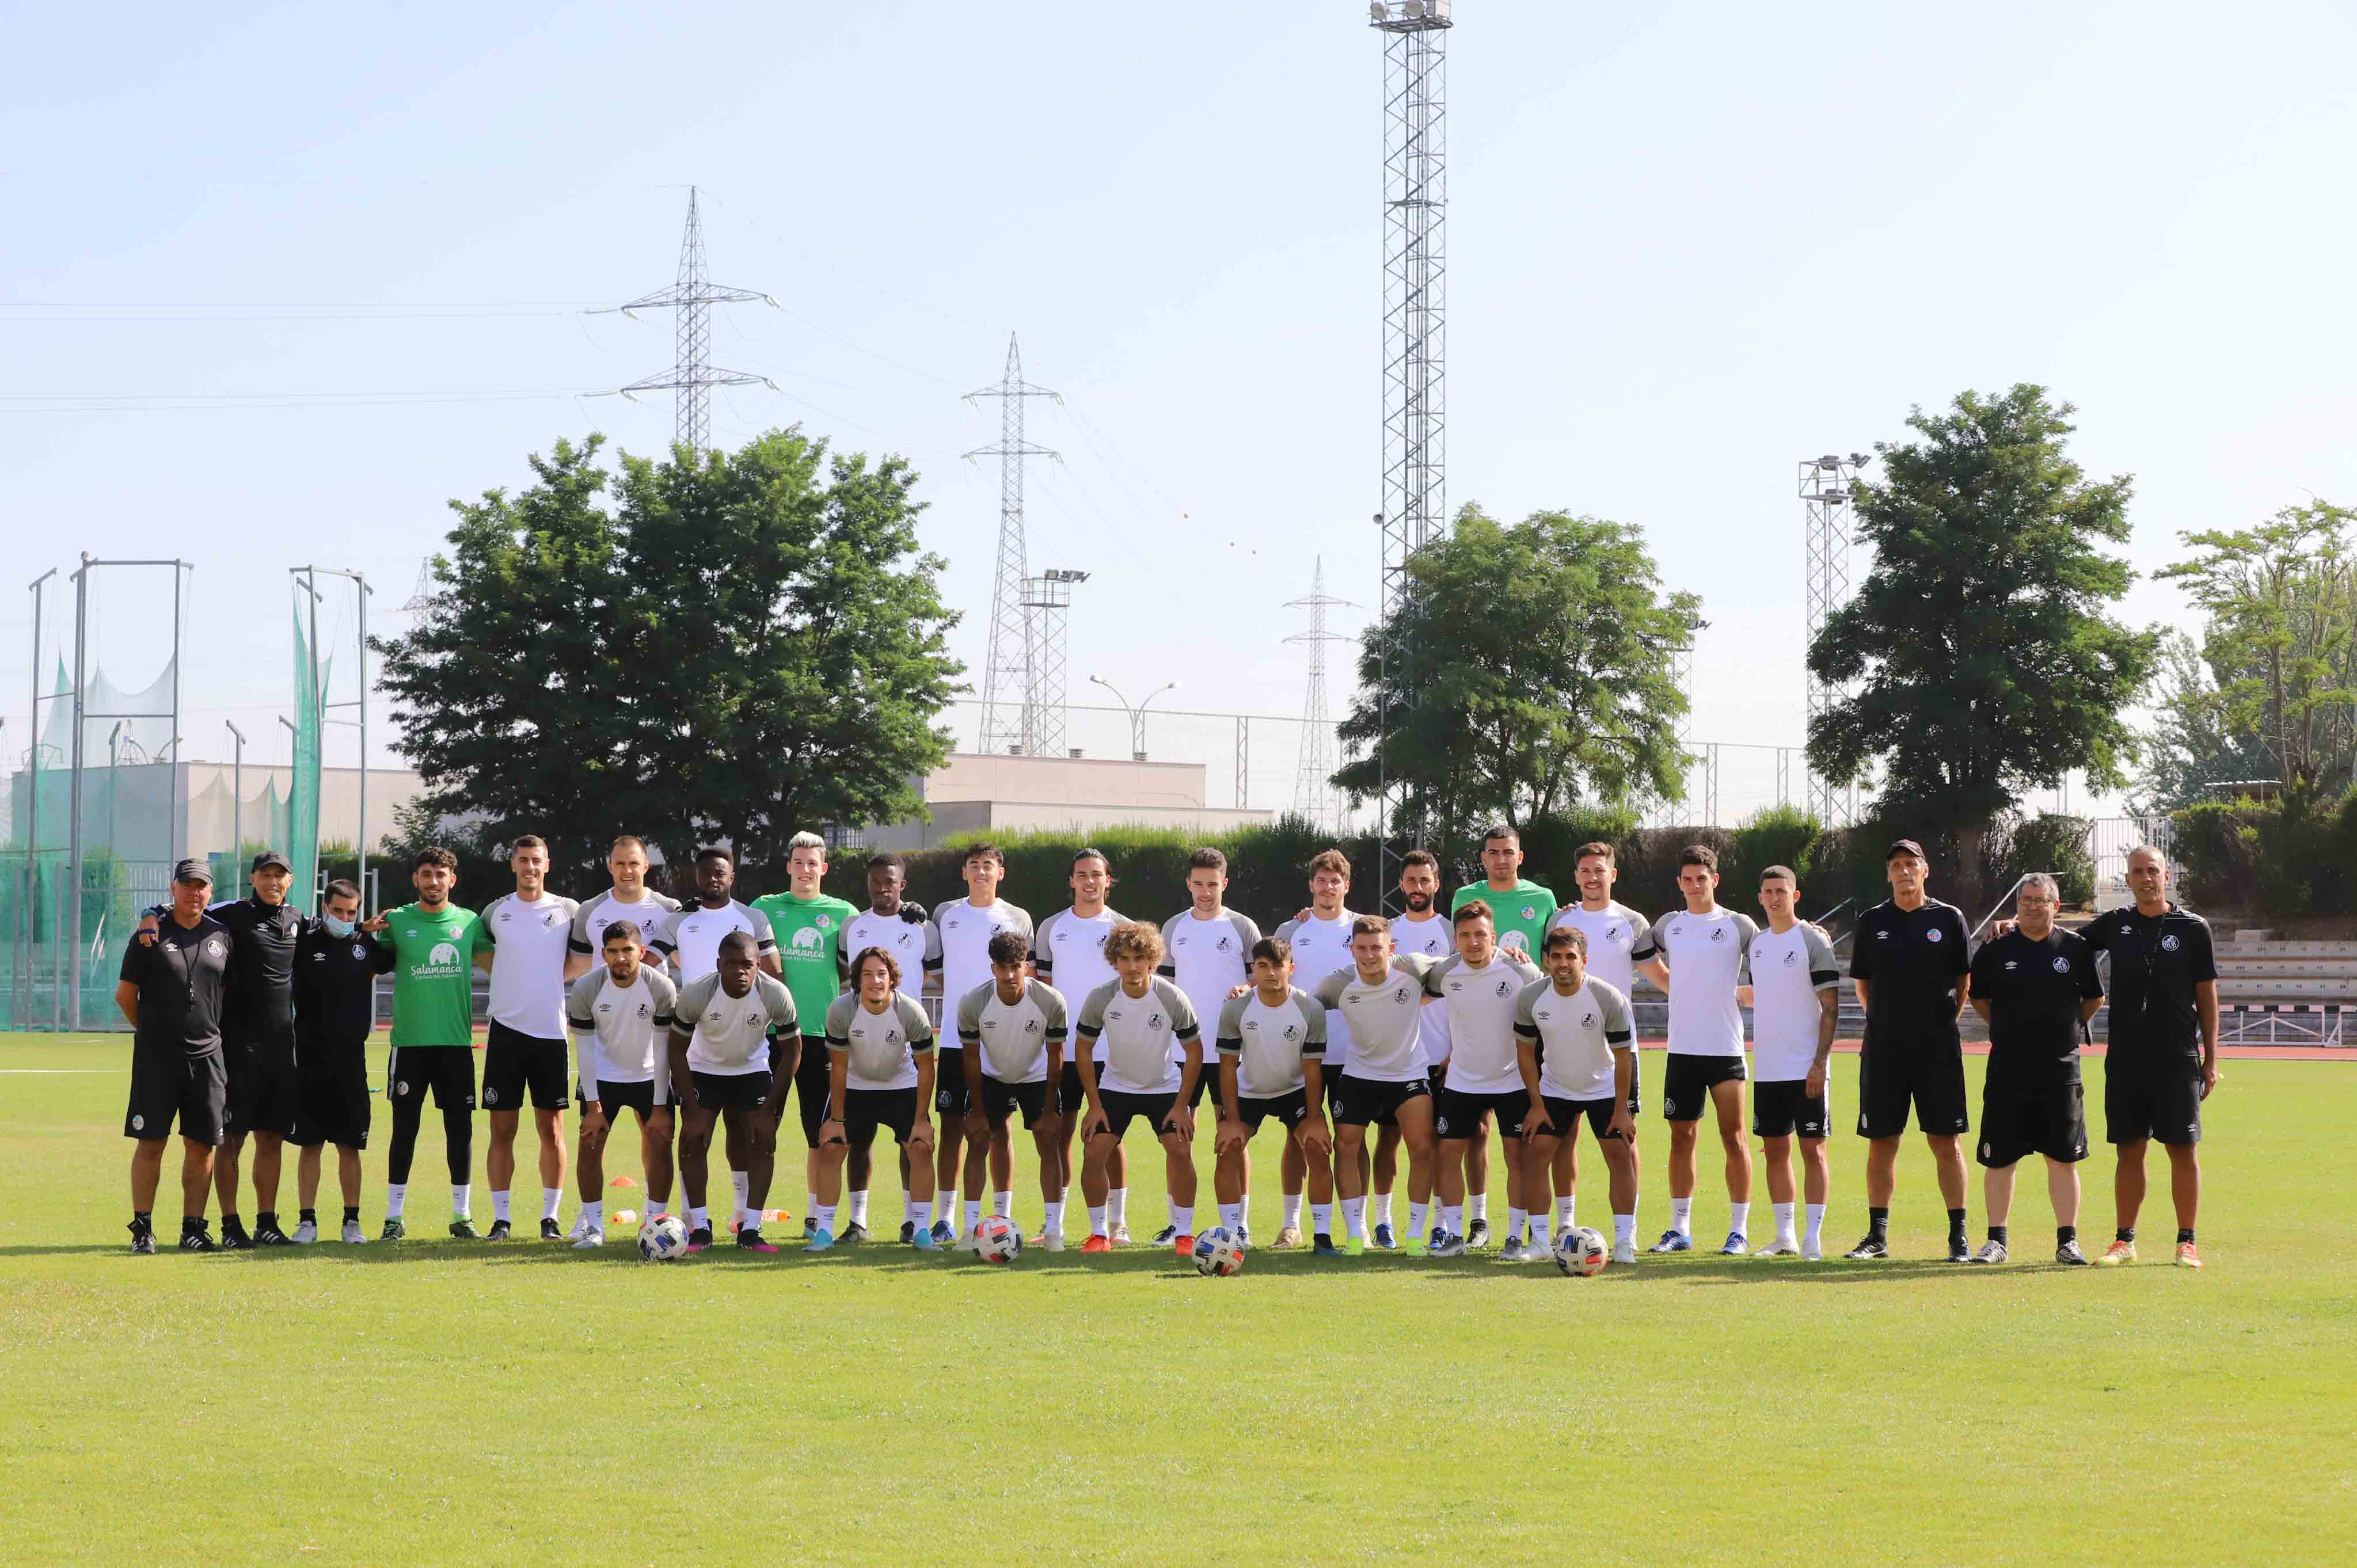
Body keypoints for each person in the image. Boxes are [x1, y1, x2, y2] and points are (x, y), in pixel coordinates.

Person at [139, 849, 303, 1248]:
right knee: (232, 1139)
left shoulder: (300, 920)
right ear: (253, 879)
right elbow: (185, 904)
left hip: (281, 1050)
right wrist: (149, 912)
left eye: (279, 875)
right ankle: (231, 1225)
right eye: (265, 874)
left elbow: (337, 936)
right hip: (236, 1048)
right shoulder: (233, 913)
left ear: (290, 881)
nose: (272, 881)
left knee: (272, 1140)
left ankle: (267, 1221)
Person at [2080, 847, 2219, 1269]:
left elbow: (2207, 996)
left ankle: (2187, 1242)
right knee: (2129, 1149)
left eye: (2153, 871)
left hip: (2176, 1057)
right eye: (2137, 872)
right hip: (2125, 1058)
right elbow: (2062, 940)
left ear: (2168, 875)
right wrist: (2018, 923)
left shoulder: (2193, 928)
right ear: (2128, 878)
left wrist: (2211, 1059)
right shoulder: (2117, 923)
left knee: (2183, 1149)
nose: (2146, 878)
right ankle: (2125, 1241)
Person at [1845, 839, 1973, 1263]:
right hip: (1884, 1051)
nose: (1903, 871)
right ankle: (1877, 1236)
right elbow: (1862, 985)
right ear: (1888, 874)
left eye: (1910, 864)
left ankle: (1958, 1237)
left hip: (1937, 1050)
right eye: (1896, 865)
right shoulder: (1872, 921)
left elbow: (1963, 983)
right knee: (1882, 1143)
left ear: (1925, 870)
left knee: (1946, 1143)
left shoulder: (1949, 919)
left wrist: (1938, 1025)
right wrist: (1885, 1022)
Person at [1967, 873, 2103, 1266]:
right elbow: (1980, 1000)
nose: (2030, 906)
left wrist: (2063, 1027)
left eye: (2039, 900)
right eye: (2025, 899)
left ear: (2055, 906)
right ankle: (1996, 1241)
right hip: (2008, 1068)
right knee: (2000, 1158)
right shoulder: (1996, 948)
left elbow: (2092, 1000)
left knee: (2062, 1158)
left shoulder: (2075, 949)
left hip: (2060, 1070)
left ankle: (2068, 1241)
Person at [363, 846, 489, 1240]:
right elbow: (369, 960)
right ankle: (393, 1217)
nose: (434, 881)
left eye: (441, 874)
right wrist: (363, 934)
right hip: (410, 1045)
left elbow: (503, 964)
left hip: (455, 1045)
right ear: (415, 879)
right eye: (426, 874)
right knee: (404, 1131)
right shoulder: (397, 921)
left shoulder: (470, 923)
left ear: (452, 879)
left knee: (460, 1131)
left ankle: (462, 1215)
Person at [1546, 841, 1669, 1245]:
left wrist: (1718, 992)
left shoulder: (1632, 922)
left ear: (1612, 875)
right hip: (1563, 1047)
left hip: (1617, 1051)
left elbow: (1661, 976)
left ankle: (1627, 1230)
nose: (1593, 877)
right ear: (1577, 876)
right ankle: (1566, 1222)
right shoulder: (1560, 920)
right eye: (1585, 870)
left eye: (1600, 870)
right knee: (1564, 1138)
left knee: (1623, 1139)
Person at [657, 846, 777, 1238]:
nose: (713, 878)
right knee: (697, 1134)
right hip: (696, 1046)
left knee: (745, 1135)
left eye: (720, 873)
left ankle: (744, 1217)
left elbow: (774, 971)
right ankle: (697, 1223)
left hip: (747, 1049)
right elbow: (648, 959)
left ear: (732, 876)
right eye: (706, 872)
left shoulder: (753, 918)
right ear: (697, 876)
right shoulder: (680, 918)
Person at [116, 859, 234, 1253]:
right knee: (151, 1143)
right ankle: (143, 1229)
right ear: (173, 888)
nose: (194, 892)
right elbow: (125, 997)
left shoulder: (221, 935)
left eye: (202, 886)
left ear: (210, 891)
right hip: (157, 1059)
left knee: (201, 1146)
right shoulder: (148, 936)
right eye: (188, 885)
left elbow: (226, 995)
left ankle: (193, 1229)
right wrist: (150, 1034)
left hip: (208, 1058)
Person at [568, 835, 684, 1230]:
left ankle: (657, 1219)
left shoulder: (669, 914)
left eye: (634, 863)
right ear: (610, 866)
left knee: (659, 1138)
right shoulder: (590, 915)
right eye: (620, 863)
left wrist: (660, 1102)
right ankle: (591, 1223)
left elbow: (664, 1044)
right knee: (590, 1140)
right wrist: (594, 1101)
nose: (627, 870)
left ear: (645, 865)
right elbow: (583, 1046)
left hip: (650, 1066)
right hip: (604, 1066)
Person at [1648, 845, 1759, 1256]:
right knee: (1682, 1138)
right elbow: (1640, 952)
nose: (1695, 885)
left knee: (1734, 1138)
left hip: (1725, 1049)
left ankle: (1739, 1230)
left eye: (1703, 878)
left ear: (1715, 880)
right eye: (1687, 879)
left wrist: (1750, 991)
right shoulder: (1669, 925)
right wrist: (1672, 985)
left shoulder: (1738, 924)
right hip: (1682, 1050)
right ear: (1679, 884)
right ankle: (1680, 1229)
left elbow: (1772, 954)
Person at [1312, 916, 1446, 1257]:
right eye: (1362, 948)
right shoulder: (1337, 984)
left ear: (1392, 948)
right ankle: (1356, 1234)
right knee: (1345, 1148)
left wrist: (1507, 955)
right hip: (1359, 1075)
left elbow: (1466, 965)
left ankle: (1415, 1234)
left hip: (1409, 1075)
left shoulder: (1415, 968)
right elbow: (1298, 1004)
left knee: (1421, 1149)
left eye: (1377, 948)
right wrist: (1249, 991)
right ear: (1352, 949)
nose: (1370, 955)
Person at [1275, 849, 1387, 1249]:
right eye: (1321, 881)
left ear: (1346, 885)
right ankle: (1291, 1224)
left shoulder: (1364, 929)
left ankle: (1358, 1228)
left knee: (1351, 1141)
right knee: (1297, 1136)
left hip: (1353, 1051)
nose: (1327, 887)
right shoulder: (1291, 930)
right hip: (1303, 1051)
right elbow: (1272, 980)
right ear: (1311, 886)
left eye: (1335, 881)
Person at [923, 843, 1033, 1244]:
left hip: (1003, 1042)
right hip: (954, 1039)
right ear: (964, 873)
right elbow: (934, 974)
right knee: (952, 1128)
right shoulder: (944, 915)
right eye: (975, 866)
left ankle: (1002, 1217)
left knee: (1000, 1127)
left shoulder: (1017, 917)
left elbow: (1026, 974)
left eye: (989, 866)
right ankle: (946, 1218)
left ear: (1000, 873)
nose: (982, 872)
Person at [751, 831, 858, 1242]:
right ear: (789, 867)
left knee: (820, 1131)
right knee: (762, 1128)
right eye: (799, 862)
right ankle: (750, 1217)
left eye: (813, 863)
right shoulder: (765, 908)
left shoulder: (845, 912)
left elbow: (856, 964)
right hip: (771, 1034)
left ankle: (815, 1217)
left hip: (821, 1035)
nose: (806, 870)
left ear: (824, 868)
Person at [1073, 921, 1204, 1256]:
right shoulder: (1101, 997)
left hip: (1164, 1088)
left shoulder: (1172, 997)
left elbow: (1195, 1051)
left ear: (1153, 960)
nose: (1132, 967)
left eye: (1139, 958)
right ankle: (1100, 1234)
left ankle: (1185, 1235)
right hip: (1116, 1087)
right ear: (1114, 961)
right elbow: (1083, 1049)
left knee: (1179, 1150)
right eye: (1125, 959)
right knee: (1094, 1152)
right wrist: (1095, 1105)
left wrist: (1182, 1105)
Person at [1512, 925, 1643, 1265]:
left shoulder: (1607, 997)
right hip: (1556, 1088)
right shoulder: (1530, 998)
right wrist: (1537, 1105)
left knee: (1620, 1156)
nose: (1563, 964)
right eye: (1556, 957)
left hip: (1604, 1087)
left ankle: (1625, 1241)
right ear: (1546, 961)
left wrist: (1621, 1109)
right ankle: (1541, 1241)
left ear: (1584, 960)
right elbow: (1525, 1054)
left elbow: (1625, 1057)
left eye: (1571, 957)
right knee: (1537, 1155)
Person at [1424, 901, 1544, 1259]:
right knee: (1447, 1157)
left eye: (1480, 935)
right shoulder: (1444, 974)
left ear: (1493, 936)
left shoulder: (1522, 971)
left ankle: (1514, 1237)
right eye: (1465, 936)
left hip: (1511, 1082)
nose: (1473, 943)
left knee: (1517, 1159)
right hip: (1461, 1081)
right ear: (1455, 941)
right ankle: (1456, 1236)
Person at [476, 835, 580, 1241]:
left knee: (551, 1130)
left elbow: (579, 960)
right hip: (504, 1032)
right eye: (523, 860)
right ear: (513, 864)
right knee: (502, 1131)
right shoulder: (495, 912)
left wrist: (551, 979)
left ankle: (549, 1218)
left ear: (547, 864)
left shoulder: (567, 910)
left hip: (551, 1034)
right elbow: (483, 950)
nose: (530, 867)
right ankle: (501, 1220)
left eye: (536, 860)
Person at [671, 930, 800, 1253]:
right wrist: (689, 1108)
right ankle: (700, 1228)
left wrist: (771, 1109)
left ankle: (751, 1229)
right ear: (719, 964)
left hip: (751, 1071)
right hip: (704, 1070)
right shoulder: (698, 993)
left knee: (762, 1142)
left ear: (759, 965)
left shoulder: (775, 994)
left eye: (747, 964)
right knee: (692, 1140)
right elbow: (676, 1050)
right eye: (731, 964)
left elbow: (793, 1052)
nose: (739, 971)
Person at [1158, 847, 1264, 1240]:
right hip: (1184, 1050)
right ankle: (1177, 1225)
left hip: (1229, 1052)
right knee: (1178, 1138)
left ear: (1225, 884)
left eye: (1213, 884)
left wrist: (1246, 986)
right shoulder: (1173, 928)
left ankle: (1240, 1225)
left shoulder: (1242, 927)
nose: (1205, 892)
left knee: (1232, 1137)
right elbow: (1164, 987)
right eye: (1198, 884)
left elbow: (1262, 977)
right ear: (1189, 884)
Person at [1033, 848, 1139, 1242]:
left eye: (1097, 874)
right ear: (1072, 881)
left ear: (1108, 880)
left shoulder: (1125, 929)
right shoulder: (1051, 928)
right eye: (1082, 874)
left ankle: (1117, 1225)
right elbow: (1042, 987)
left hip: (1110, 1052)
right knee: (1058, 1136)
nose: (1089, 881)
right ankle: (1053, 1225)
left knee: (1109, 1139)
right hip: (1064, 1050)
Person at [1211, 937, 1337, 1253]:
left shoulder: (1310, 1008)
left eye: (1277, 966)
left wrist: (1314, 1117)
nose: (1270, 973)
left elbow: (1312, 1069)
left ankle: (1315, 1235)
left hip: (1294, 1091)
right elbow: (1227, 1067)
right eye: (1262, 966)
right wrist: (1231, 1120)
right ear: (1253, 970)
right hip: (1249, 1092)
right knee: (1227, 1148)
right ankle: (1232, 1235)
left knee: (1317, 1148)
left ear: (1290, 969)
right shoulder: (1236, 1009)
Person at [1740, 865, 1841, 1259]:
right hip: (1768, 1067)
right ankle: (1785, 1236)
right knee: (1774, 1150)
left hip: (1806, 1067)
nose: (1775, 897)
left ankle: (1813, 1237)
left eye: (1782, 890)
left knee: (1813, 1150)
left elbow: (1831, 1007)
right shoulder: (1758, 945)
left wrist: (1819, 1064)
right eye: (1768, 891)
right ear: (1761, 898)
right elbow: (1760, 994)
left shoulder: (1813, 941)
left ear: (1794, 896)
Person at [812, 948, 938, 1251]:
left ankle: (921, 1231)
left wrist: (921, 1119)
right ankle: (824, 1233)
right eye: (867, 974)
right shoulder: (841, 1010)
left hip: (901, 1087)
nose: (875, 981)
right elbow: (839, 1066)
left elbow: (925, 1067)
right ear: (857, 980)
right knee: (831, 1148)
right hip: (856, 1087)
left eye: (882, 974)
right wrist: (837, 1121)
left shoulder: (910, 1011)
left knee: (920, 1148)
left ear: (892, 979)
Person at [957, 930, 1071, 1249]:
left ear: (1027, 966)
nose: (1010, 974)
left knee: (1048, 1140)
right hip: (991, 1077)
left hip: (1036, 1077)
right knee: (980, 1139)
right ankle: (971, 1230)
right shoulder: (973, 1002)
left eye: (1017, 966)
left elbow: (1055, 1056)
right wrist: (978, 1111)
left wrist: (1050, 1111)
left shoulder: (1050, 1001)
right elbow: (970, 1057)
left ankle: (1053, 1230)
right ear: (992, 968)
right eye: (1002, 967)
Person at [838, 851, 930, 1242]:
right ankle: (858, 1222)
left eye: (890, 881)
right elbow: (846, 979)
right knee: (857, 1144)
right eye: (876, 881)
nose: (882, 888)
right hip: (860, 1047)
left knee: (911, 1142)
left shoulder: (925, 926)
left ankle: (912, 1221)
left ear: (902, 885)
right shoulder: (852, 926)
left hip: (907, 1048)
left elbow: (939, 973)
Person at [292, 878, 391, 1244]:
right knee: (310, 1145)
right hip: (308, 1060)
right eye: (338, 911)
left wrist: (370, 928)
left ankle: (352, 1222)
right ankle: (307, 1223)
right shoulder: (304, 940)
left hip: (351, 1061)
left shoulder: (365, 944)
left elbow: (395, 954)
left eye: (351, 913)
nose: (345, 918)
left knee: (350, 1146)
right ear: (325, 908)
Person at [1390, 850, 1462, 1250]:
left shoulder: (1455, 931)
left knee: (1443, 1143)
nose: (1418, 888)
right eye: (1411, 881)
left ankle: (1439, 1222)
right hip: (1398, 1058)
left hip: (1443, 1055)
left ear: (1437, 884)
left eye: (1425, 881)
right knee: (1392, 1142)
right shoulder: (1387, 930)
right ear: (1402, 884)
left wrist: (1459, 1049)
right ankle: (1383, 1222)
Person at [1449, 824, 1558, 958]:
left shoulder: (1543, 898)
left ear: (1520, 857)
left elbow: (1555, 953)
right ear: (1484, 858)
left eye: (1508, 853)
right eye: (1493, 853)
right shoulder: (1464, 897)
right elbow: (1458, 950)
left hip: (1531, 979)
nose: (1501, 860)